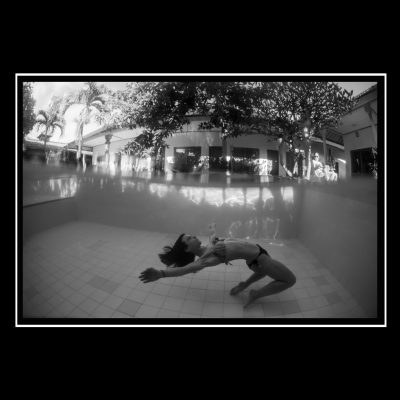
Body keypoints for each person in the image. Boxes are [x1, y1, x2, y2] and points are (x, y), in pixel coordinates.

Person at [139, 227, 296, 308]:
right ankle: (256, 294)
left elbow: (213, 238)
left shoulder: (208, 247)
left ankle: (245, 285)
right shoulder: (206, 259)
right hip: (259, 258)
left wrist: (212, 229)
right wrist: (161, 273)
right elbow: (185, 269)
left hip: (257, 257)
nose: (193, 236)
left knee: (262, 273)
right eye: (189, 239)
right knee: (290, 280)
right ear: (187, 249)